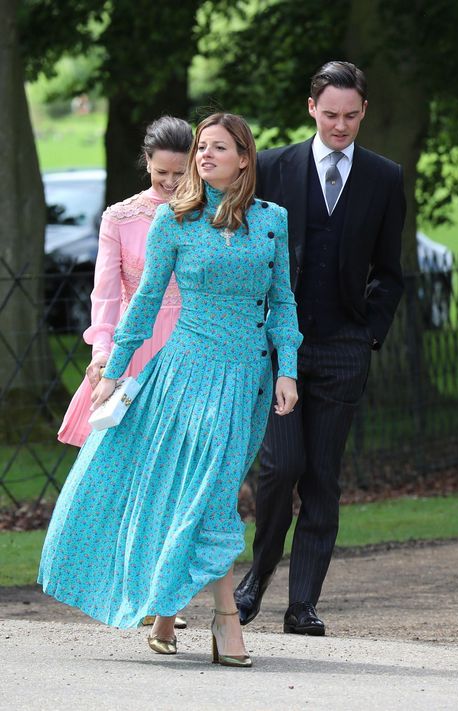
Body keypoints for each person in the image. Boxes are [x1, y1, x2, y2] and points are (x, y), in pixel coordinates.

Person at [38, 112, 302, 668]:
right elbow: (144, 304)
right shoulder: (175, 222)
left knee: (207, 491)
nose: (205, 156)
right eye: (201, 147)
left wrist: (288, 369)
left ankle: (164, 614)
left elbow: (283, 303)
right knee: (206, 494)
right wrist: (109, 374)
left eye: (217, 148)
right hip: (182, 374)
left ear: (244, 158)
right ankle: (227, 621)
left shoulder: (273, 221)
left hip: (245, 380)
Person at [234, 61, 406, 636]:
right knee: (282, 467)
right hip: (277, 348)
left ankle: (302, 604)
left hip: (343, 348)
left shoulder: (385, 178)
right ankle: (255, 578)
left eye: (351, 116)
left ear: (364, 111)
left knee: (323, 480)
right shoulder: (272, 167)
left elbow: (390, 272)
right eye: (330, 114)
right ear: (312, 108)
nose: (340, 126)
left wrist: (368, 334)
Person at [58, 116, 193, 449]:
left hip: (190, 346)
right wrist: (102, 353)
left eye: (180, 172)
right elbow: (104, 295)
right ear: (147, 162)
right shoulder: (119, 218)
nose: (171, 182)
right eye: (162, 172)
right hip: (137, 344)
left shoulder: (207, 216)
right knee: (125, 454)